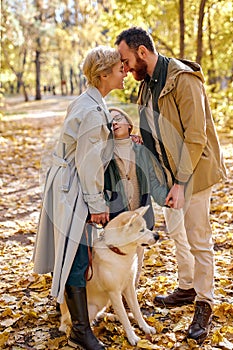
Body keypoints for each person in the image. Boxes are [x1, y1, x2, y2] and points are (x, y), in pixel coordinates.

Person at [115, 27, 226, 344]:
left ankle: (205, 304)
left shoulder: (182, 78)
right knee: (177, 233)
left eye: (125, 61)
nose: (124, 68)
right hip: (169, 175)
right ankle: (187, 286)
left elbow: (195, 136)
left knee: (199, 239)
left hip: (193, 173)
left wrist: (179, 183)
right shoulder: (147, 85)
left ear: (141, 52)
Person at [33, 46, 127, 350]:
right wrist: (97, 205)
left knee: (76, 252)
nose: (124, 71)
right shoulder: (90, 111)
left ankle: (74, 319)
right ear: (103, 75)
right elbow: (88, 163)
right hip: (74, 188)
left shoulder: (90, 102)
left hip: (68, 183)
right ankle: (80, 331)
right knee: (77, 255)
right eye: (119, 68)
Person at [105, 107, 169, 284]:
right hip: (118, 216)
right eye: (110, 122)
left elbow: (152, 180)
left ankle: (131, 290)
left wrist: (165, 198)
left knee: (138, 255)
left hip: (139, 212)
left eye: (118, 118)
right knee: (117, 255)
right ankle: (116, 290)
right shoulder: (105, 152)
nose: (115, 122)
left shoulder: (141, 151)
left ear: (129, 124)